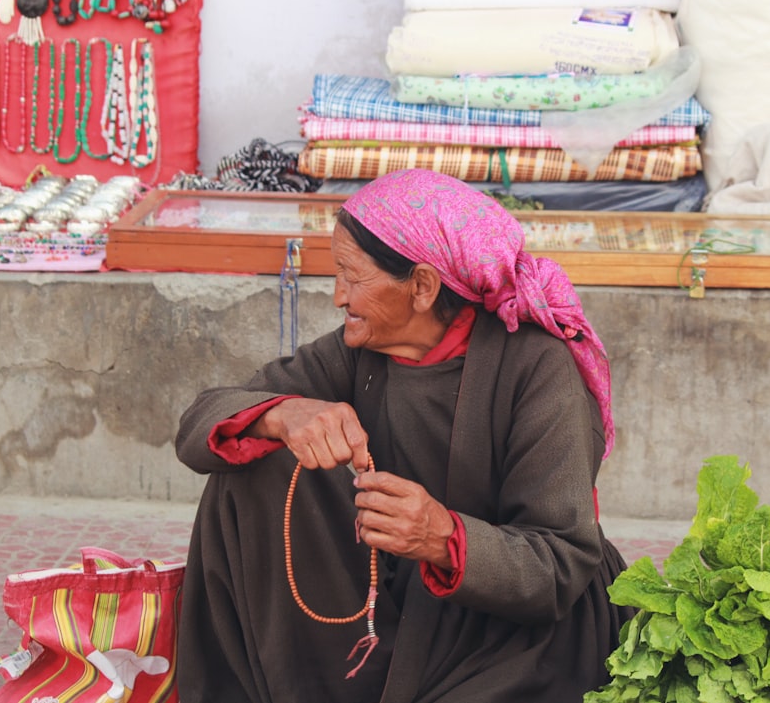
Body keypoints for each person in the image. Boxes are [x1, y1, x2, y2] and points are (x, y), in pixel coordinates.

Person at [174, 169, 635, 703]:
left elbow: (559, 563)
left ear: (421, 286)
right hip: (404, 599)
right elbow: (201, 421)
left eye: (351, 275)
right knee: (252, 465)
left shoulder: (538, 368)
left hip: (517, 633)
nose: (337, 296)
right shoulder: (359, 351)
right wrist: (283, 414)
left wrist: (444, 537)